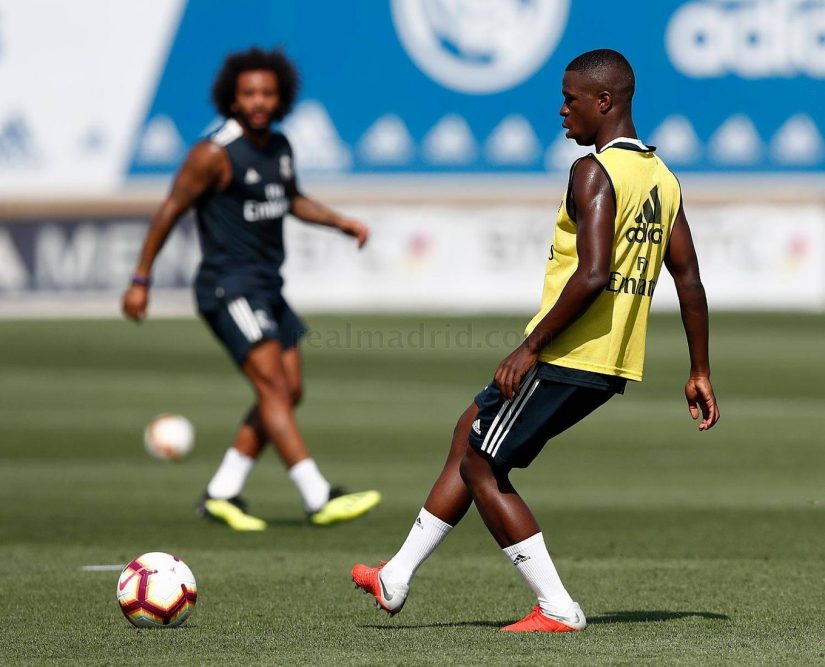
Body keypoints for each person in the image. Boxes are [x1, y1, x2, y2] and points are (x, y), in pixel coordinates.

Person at [352, 49, 719, 632]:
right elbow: (689, 278)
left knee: (482, 463)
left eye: (571, 100)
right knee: (470, 428)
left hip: (569, 352)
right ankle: (395, 575)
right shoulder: (662, 177)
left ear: (604, 101)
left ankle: (556, 607)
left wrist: (529, 348)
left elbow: (593, 273)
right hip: (612, 360)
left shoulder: (593, 171)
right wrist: (699, 370)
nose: (561, 110)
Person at [122, 47, 380, 530]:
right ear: (232, 99)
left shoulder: (279, 146)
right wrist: (141, 279)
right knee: (273, 388)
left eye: (267, 93)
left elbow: (292, 199)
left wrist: (341, 222)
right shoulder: (212, 154)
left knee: (289, 390)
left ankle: (222, 492)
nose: (258, 101)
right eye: (249, 93)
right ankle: (318, 496)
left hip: (267, 286)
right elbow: (170, 210)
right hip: (228, 287)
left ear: (281, 97)